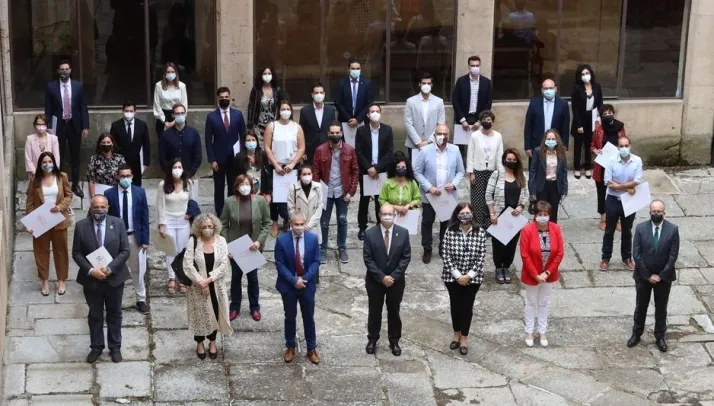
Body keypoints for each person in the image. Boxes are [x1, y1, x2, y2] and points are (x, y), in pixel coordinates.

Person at [73, 194, 130, 363]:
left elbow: (125, 251)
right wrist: (91, 270)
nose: (99, 210)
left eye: (102, 207)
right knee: (95, 314)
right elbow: (76, 253)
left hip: (114, 278)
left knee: (115, 313)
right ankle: (96, 347)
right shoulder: (81, 226)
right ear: (90, 208)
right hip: (92, 280)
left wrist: (110, 268)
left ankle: (115, 347)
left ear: (107, 208)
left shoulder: (118, 223)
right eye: (96, 207)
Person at [629, 200, 680, 352]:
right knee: (641, 306)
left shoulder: (673, 230)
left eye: (659, 211)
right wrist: (647, 275)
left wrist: (661, 275)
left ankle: (660, 336)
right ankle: (636, 333)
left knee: (661, 308)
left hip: (664, 278)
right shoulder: (640, 228)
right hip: (643, 276)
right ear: (649, 212)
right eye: (654, 211)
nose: (656, 214)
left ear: (664, 213)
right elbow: (636, 254)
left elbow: (673, 255)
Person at [220, 175, 271, 321]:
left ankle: (254, 307)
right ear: (236, 187)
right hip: (236, 246)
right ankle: (234, 307)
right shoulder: (229, 202)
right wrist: (227, 246)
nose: (245, 187)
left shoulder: (260, 201)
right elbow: (223, 225)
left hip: (252, 246)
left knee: (252, 278)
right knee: (236, 277)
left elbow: (267, 223)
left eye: (247, 183)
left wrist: (259, 241)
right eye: (241, 184)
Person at [184, 213, 233, 359]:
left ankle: (212, 341)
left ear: (215, 227)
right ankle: (199, 343)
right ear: (199, 228)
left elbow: (224, 265)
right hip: (197, 287)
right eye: (204, 227)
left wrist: (209, 280)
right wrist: (201, 282)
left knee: (215, 313)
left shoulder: (221, 241)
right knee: (199, 314)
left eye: (210, 226)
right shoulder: (193, 241)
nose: (207, 229)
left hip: (216, 285)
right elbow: (188, 264)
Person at [363, 204, 411, 356]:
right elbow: (368, 259)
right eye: (384, 214)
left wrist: (393, 276)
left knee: (394, 311)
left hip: (396, 282)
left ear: (394, 215)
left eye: (390, 214)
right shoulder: (370, 234)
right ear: (379, 215)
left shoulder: (403, 233)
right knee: (374, 311)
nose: (387, 217)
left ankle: (394, 341)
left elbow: (406, 257)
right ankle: (372, 339)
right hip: (375, 281)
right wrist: (382, 277)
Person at [414, 124, 465, 263]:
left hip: (447, 195)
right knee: (427, 221)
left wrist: (454, 184)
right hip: (430, 194)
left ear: (449, 135)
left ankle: (443, 247)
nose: (442, 136)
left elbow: (461, 171)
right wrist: (429, 187)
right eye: (439, 133)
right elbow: (417, 172)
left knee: (446, 222)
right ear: (434, 135)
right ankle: (427, 248)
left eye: (445, 134)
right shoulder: (425, 150)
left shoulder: (455, 150)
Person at [274, 212, 321, 365]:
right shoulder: (282, 240)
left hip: (306, 285)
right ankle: (290, 346)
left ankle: (311, 348)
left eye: (302, 224)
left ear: (305, 224)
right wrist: (294, 280)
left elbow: (316, 261)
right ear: (291, 224)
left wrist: (304, 279)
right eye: (296, 224)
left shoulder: (312, 239)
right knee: (290, 317)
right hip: (289, 285)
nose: (299, 227)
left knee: (309, 317)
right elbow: (280, 264)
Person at [441, 203, 487, 355]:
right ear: (457, 215)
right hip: (452, 277)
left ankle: (464, 337)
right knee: (455, 306)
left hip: (473, 278)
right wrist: (458, 276)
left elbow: (481, 256)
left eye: (467, 213)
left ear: (472, 214)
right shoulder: (450, 231)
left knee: (467, 307)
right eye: (462, 213)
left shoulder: (480, 232)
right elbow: (445, 254)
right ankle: (456, 334)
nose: (465, 216)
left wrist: (469, 275)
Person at [104, 165, 150, 315]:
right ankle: (115, 302)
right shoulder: (109, 193)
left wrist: (145, 240)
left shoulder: (139, 192)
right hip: (116, 238)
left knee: (137, 269)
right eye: (122, 176)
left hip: (134, 236)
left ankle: (141, 299)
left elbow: (144, 216)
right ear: (117, 177)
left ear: (132, 176)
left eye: (128, 176)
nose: (125, 179)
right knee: (114, 269)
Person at [25, 152, 72, 296]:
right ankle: (44, 280)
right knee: (41, 251)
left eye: (49, 161)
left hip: (58, 220)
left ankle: (61, 280)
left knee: (61, 251)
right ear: (40, 164)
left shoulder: (62, 177)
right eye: (44, 162)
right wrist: (29, 222)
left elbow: (69, 195)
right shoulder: (35, 179)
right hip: (41, 221)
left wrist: (60, 207)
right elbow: (30, 201)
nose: (47, 164)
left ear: (54, 162)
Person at [312, 122, 360, 264]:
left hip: (342, 192)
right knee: (324, 222)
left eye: (337, 132)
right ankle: (323, 248)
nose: (335, 135)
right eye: (332, 133)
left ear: (341, 133)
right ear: (328, 134)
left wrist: (351, 192)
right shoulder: (320, 150)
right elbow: (315, 173)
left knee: (342, 220)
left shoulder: (350, 150)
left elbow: (355, 171)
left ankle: (342, 248)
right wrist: (318, 192)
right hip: (326, 192)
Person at [520, 201, 564, 348]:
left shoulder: (556, 229)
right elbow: (525, 255)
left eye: (545, 214)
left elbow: (560, 253)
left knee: (544, 302)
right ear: (535, 215)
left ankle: (542, 331)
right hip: (531, 274)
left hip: (549, 274)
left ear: (549, 215)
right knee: (531, 302)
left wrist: (547, 272)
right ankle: (529, 331)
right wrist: (535, 275)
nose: (543, 217)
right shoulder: (527, 230)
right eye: (540, 214)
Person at [44, 60, 89, 198]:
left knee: (75, 156)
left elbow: (83, 107)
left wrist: (85, 126)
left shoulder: (78, 86)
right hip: (59, 126)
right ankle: (60, 184)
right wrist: (49, 127)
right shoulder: (51, 86)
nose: (65, 72)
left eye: (67, 69)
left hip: (75, 125)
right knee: (59, 156)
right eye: (62, 69)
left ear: (70, 70)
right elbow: (48, 109)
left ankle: (75, 184)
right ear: (58, 71)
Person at [486, 149, 529, 284]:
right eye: (509, 159)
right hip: (499, 215)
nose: (511, 162)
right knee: (498, 244)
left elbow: (526, 195)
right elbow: (488, 194)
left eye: (514, 160)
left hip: (514, 217)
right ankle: (499, 267)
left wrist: (521, 206)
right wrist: (492, 213)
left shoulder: (521, 175)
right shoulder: (497, 174)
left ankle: (506, 267)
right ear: (504, 160)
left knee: (511, 244)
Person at [600, 136, 643, 272]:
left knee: (627, 231)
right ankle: (606, 257)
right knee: (609, 230)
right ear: (618, 147)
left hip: (629, 200)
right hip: (613, 199)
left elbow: (637, 180)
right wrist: (626, 188)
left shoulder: (637, 161)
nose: (624, 148)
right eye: (621, 146)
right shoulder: (611, 160)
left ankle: (627, 257)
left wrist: (618, 186)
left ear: (630, 146)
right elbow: (607, 181)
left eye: (626, 146)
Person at [265, 100, 307, 237]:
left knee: (291, 196)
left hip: (292, 167)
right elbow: (267, 147)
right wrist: (276, 165)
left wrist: (293, 163)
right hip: (276, 166)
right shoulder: (272, 126)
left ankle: (288, 220)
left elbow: (301, 148)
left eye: (288, 109)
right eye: (283, 109)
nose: (285, 111)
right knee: (275, 197)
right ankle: (274, 223)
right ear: (279, 111)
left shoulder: (297, 127)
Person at [206, 87, 247, 217]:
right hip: (218, 158)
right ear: (218, 99)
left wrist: (242, 154)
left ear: (230, 97)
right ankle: (219, 211)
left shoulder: (237, 115)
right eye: (222, 98)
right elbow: (208, 140)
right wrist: (212, 159)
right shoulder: (211, 117)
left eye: (226, 97)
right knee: (219, 186)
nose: (224, 99)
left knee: (233, 184)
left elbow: (243, 135)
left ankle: (231, 210)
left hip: (234, 158)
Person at [355, 103, 394, 240]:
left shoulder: (387, 130)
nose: (375, 113)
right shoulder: (361, 131)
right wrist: (369, 168)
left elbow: (389, 152)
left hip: (381, 171)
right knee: (364, 200)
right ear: (367, 115)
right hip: (366, 171)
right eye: (372, 111)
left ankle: (380, 225)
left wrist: (377, 168)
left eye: (377, 111)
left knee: (380, 200)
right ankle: (362, 227)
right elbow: (358, 151)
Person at [157, 158, 195, 294]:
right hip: (169, 221)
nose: (177, 170)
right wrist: (161, 224)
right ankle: (171, 277)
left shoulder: (188, 183)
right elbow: (160, 205)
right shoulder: (163, 184)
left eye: (179, 167)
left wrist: (190, 213)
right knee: (171, 250)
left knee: (182, 250)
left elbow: (192, 201)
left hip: (183, 221)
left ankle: (181, 277)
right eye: (175, 167)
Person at [466, 110, 504, 229]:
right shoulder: (475, 135)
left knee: (490, 198)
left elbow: (499, 155)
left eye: (488, 120)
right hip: (478, 171)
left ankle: (489, 225)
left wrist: (501, 173)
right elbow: (470, 154)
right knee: (477, 200)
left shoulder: (498, 136)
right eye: (484, 120)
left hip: (492, 171)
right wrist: (470, 172)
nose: (486, 122)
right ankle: (477, 225)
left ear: (492, 121)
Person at [591, 104, 627, 230]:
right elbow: (592, 145)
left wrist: (621, 149)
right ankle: (603, 218)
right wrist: (596, 151)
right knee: (601, 193)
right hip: (602, 166)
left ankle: (617, 219)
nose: (608, 115)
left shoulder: (620, 127)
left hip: (617, 165)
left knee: (618, 192)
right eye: (605, 114)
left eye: (610, 113)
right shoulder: (599, 129)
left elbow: (625, 143)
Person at [451, 55, 493, 158]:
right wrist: (462, 120)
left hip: (478, 119)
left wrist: (480, 121)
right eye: (473, 65)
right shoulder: (461, 81)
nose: (475, 68)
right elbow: (455, 100)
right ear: (469, 66)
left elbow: (488, 103)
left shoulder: (486, 82)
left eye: (477, 65)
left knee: (478, 147)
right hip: (463, 119)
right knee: (460, 149)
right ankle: (461, 166)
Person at [524, 79, 570, 164]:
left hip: (555, 144)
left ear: (555, 89)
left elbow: (565, 127)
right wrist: (527, 146)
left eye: (551, 88)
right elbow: (528, 125)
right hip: (536, 143)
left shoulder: (563, 104)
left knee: (553, 169)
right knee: (535, 168)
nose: (548, 90)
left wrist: (565, 146)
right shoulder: (534, 103)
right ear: (542, 90)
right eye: (546, 88)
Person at [570, 64, 603, 179]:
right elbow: (574, 107)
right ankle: (577, 167)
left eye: (587, 73)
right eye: (583, 74)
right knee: (578, 146)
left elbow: (600, 103)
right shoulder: (577, 88)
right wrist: (579, 125)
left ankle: (588, 166)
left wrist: (599, 117)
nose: (585, 76)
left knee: (589, 145)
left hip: (592, 119)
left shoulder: (597, 86)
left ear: (591, 74)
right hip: (580, 119)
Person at [528, 129, 568, 223]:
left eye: (553, 139)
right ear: (545, 140)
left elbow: (564, 171)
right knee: (540, 211)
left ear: (557, 140)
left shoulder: (561, 152)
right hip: (542, 186)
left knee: (553, 212)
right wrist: (532, 190)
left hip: (556, 186)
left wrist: (564, 189)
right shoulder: (538, 151)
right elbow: (533, 171)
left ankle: (552, 230)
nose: (551, 141)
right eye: (548, 139)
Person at [404, 72, 446, 157]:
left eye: (428, 83)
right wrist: (418, 142)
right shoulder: (410, 101)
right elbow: (408, 123)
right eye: (424, 83)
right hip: (414, 145)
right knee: (414, 165)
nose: (426, 85)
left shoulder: (439, 102)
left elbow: (440, 124)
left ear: (432, 85)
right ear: (419, 84)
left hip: (433, 144)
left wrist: (429, 141)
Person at [110, 102, 150, 186]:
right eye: (126, 111)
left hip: (137, 160)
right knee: (121, 184)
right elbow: (112, 145)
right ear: (122, 111)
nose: (129, 113)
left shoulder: (142, 125)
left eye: (131, 111)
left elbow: (146, 144)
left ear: (135, 112)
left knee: (136, 184)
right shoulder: (116, 125)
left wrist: (146, 162)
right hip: (121, 160)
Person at [158, 103, 202, 178]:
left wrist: (190, 174)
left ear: (185, 114)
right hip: (171, 176)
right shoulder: (165, 135)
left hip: (190, 175)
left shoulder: (194, 133)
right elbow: (162, 158)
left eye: (182, 113)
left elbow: (198, 157)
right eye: (177, 114)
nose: (180, 115)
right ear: (173, 115)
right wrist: (170, 173)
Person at [300, 83, 337, 163]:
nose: (319, 95)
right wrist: (303, 151)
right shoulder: (305, 110)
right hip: (310, 150)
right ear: (312, 95)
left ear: (324, 94)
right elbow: (302, 132)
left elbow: (333, 129)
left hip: (327, 147)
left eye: (321, 92)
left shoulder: (331, 110)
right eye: (316, 93)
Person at [247, 67, 284, 146]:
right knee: (260, 149)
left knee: (272, 148)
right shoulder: (256, 90)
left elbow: (281, 106)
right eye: (265, 73)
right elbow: (251, 107)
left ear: (272, 75)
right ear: (261, 75)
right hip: (258, 127)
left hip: (273, 127)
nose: (267, 75)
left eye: (269, 73)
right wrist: (250, 125)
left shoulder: (277, 90)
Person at [287, 164, 324, 243]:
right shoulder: (293, 188)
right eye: (304, 174)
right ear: (299, 176)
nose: (307, 176)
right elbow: (291, 208)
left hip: (313, 225)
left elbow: (319, 207)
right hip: (298, 226)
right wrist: (299, 224)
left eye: (309, 174)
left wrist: (309, 225)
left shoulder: (318, 187)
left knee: (313, 247)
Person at [334, 58, 374, 127]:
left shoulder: (367, 83)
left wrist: (358, 120)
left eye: (357, 68)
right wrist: (349, 119)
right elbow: (337, 103)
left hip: (362, 121)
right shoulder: (341, 83)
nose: (355, 70)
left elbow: (369, 103)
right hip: (345, 121)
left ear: (360, 69)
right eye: (353, 68)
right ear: (348, 70)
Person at [378, 151, 421, 215]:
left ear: (407, 168)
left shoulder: (412, 183)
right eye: (398, 167)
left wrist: (409, 205)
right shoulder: (387, 183)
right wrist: (395, 207)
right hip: (391, 215)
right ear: (394, 168)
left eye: (403, 167)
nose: (401, 169)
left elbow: (418, 199)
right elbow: (382, 200)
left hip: (408, 215)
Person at [153, 62, 188, 137]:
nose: (170, 74)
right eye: (168, 72)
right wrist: (164, 121)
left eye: (172, 72)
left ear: (176, 73)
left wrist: (174, 122)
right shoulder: (158, 86)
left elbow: (184, 105)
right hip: (163, 117)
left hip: (179, 116)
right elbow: (157, 105)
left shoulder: (182, 86)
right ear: (165, 73)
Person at [87, 133, 127, 198]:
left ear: (112, 143)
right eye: (103, 142)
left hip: (116, 192)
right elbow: (91, 180)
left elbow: (124, 176)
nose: (106, 144)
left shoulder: (120, 158)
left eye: (108, 142)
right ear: (100, 144)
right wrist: (93, 197)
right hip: (99, 193)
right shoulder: (94, 159)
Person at [234, 130, 270, 197]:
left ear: (257, 142)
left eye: (253, 140)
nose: (251, 142)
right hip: (245, 192)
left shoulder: (263, 155)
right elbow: (236, 177)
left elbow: (267, 174)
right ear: (245, 143)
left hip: (260, 192)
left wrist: (268, 193)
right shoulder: (239, 157)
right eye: (248, 140)